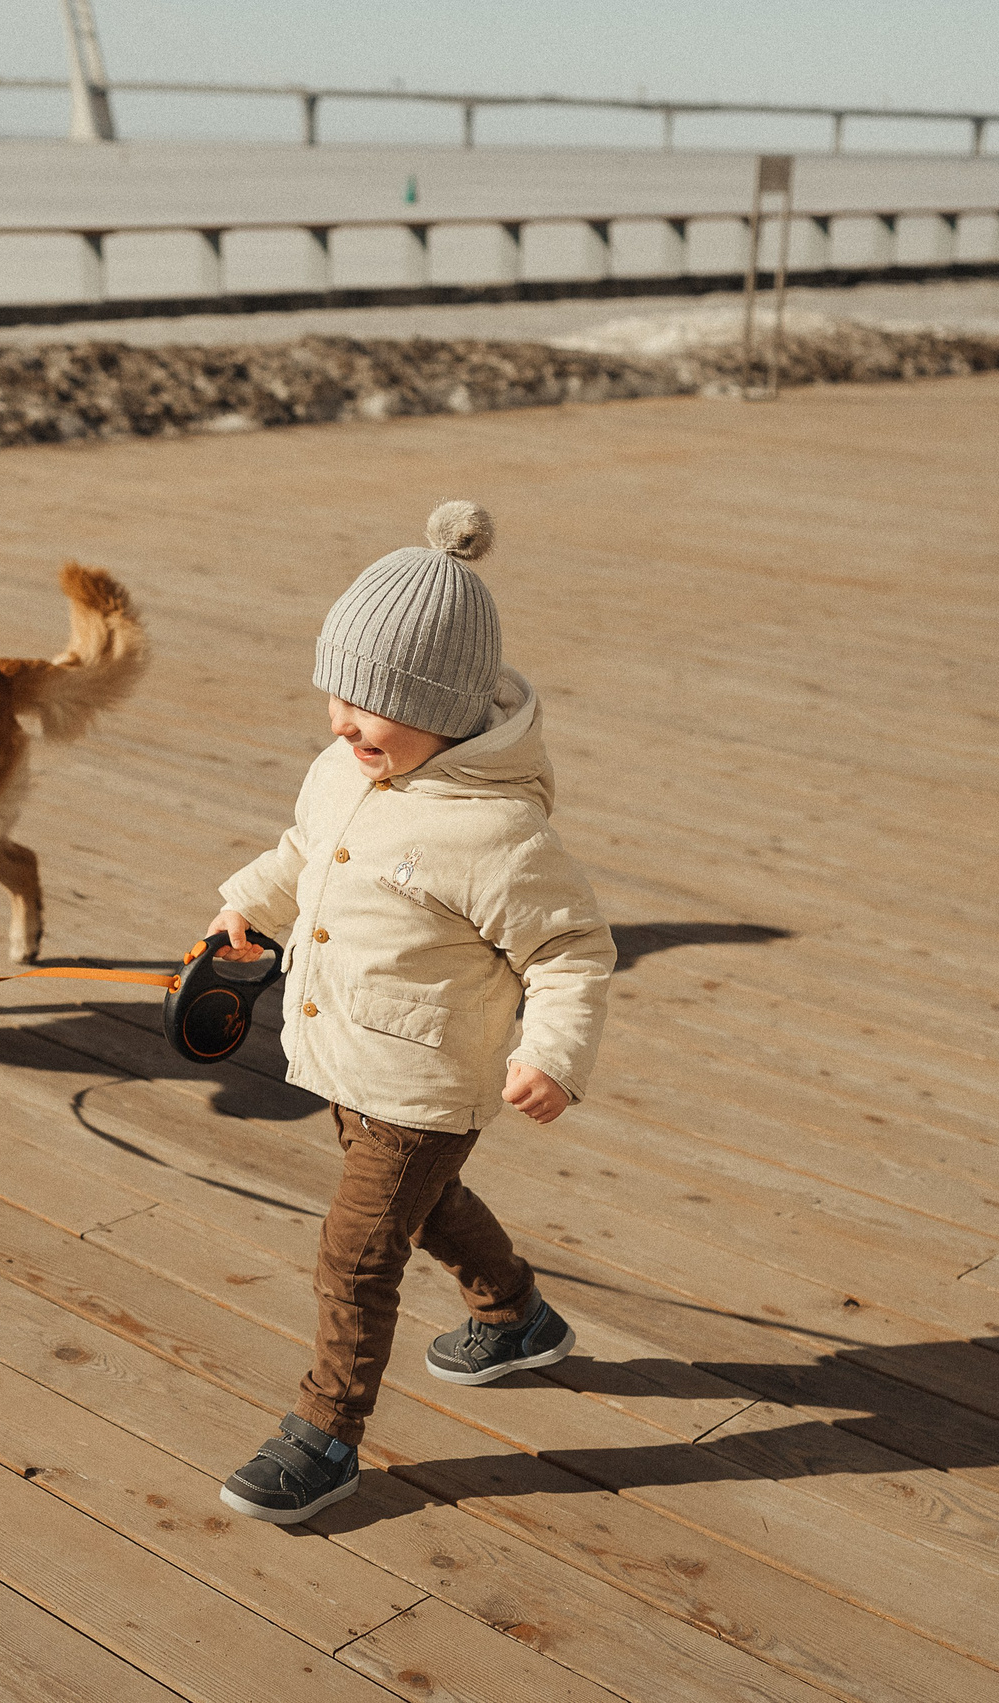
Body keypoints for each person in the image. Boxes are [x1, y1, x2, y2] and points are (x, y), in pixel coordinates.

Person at [203, 501, 615, 1525]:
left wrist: (553, 1053)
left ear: (443, 710)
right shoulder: (346, 769)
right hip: (346, 1053)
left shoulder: (496, 834)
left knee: (357, 1251)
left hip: (425, 1079)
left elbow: (569, 948)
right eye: (336, 694)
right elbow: (304, 852)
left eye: (372, 705)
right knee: (424, 1207)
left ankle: (326, 1432)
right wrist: (250, 904)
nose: (342, 722)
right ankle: (515, 1315)